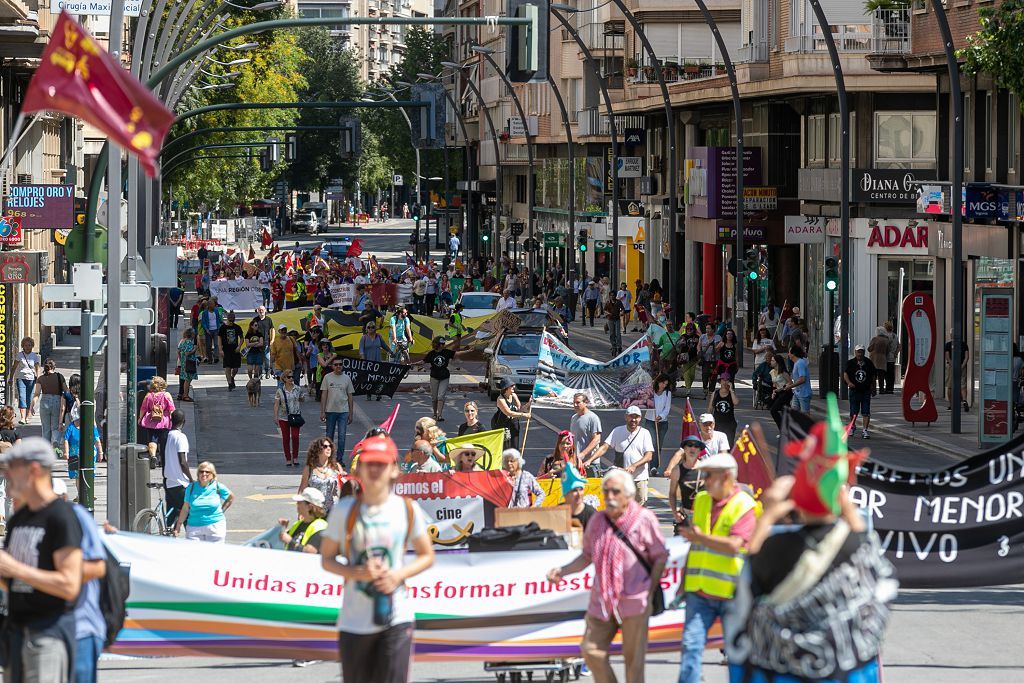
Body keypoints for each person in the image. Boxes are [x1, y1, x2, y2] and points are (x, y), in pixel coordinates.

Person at [732, 468, 896, 680]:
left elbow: (747, 581)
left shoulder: (777, 548)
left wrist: (768, 513)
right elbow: (874, 558)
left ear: (795, 503)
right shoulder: (856, 548)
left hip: (784, 671)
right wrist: (845, 505)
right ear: (839, 499)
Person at [320, 435, 435, 683]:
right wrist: (355, 573)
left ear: (393, 470)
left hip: (396, 618)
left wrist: (397, 575)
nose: (374, 469)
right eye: (369, 463)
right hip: (354, 622)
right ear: (359, 469)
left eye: (381, 464)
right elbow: (326, 559)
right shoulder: (344, 510)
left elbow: (426, 555)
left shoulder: (406, 509)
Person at [546, 469, 668, 683]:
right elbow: (586, 557)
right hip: (602, 599)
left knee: (633, 663)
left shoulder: (644, 519)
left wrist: (649, 590)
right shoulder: (598, 520)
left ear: (628, 495)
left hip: (635, 601)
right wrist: (562, 571)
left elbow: (660, 557)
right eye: (606, 492)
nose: (609, 497)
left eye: (615, 492)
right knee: (591, 650)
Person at [0, 438, 83, 681]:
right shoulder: (18, 519)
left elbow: (69, 584)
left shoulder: (61, 517)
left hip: (48, 633)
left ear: (33, 470)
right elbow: (10, 579)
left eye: (11, 469)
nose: (6, 477)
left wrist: (17, 569)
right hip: (15, 633)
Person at [674, 451, 758, 683]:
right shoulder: (701, 499)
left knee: (736, 653)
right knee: (691, 645)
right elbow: (695, 542)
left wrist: (701, 539)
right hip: (699, 591)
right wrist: (683, 581)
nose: (704, 481)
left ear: (727, 477)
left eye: (709, 475)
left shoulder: (744, 506)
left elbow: (735, 545)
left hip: (732, 593)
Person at [50, 477, 106, 683]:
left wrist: (38, 572)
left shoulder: (78, 518)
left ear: (64, 498)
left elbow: (98, 567)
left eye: (56, 499)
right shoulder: (31, 518)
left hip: (80, 627)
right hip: (43, 629)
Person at [588, 406, 654, 506]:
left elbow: (648, 456)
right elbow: (605, 447)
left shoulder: (645, 433)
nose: (634, 420)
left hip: (639, 478)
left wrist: (634, 466)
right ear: (626, 417)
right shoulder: (617, 431)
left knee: (639, 508)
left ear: (640, 418)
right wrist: (590, 460)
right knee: (620, 507)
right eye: (631, 417)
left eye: (636, 417)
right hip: (621, 478)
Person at [174, 461, 234, 542]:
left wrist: (222, 511)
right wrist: (178, 525)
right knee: (195, 553)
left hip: (215, 527)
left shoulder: (217, 486)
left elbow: (230, 497)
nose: (204, 474)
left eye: (207, 472)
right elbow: (185, 508)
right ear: (198, 474)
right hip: (194, 528)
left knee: (215, 554)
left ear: (212, 475)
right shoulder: (191, 487)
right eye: (201, 471)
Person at [666, 434, 706, 529]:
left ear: (700, 450)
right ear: (684, 448)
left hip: (704, 515)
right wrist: (675, 513)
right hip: (685, 516)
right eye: (689, 445)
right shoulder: (677, 470)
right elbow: (672, 493)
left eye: (696, 446)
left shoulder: (706, 468)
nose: (693, 448)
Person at [419, 336, 463, 422]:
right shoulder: (431, 354)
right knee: (434, 398)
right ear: (437, 345)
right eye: (441, 344)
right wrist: (413, 364)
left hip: (444, 377)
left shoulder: (446, 352)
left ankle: (439, 415)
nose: (443, 345)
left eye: (444, 343)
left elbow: (457, 353)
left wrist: (469, 351)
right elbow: (423, 361)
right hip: (434, 377)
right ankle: (435, 413)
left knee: (441, 396)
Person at [320, 358, 355, 464]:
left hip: (343, 412)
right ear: (332, 366)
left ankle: (339, 459)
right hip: (330, 411)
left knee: (342, 437)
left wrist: (351, 413)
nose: (338, 366)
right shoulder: (327, 377)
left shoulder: (347, 378)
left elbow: (350, 397)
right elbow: (324, 395)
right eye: (336, 365)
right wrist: (322, 411)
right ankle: (328, 459)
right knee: (329, 436)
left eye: (340, 364)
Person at [298, 437, 344, 514]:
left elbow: (342, 488)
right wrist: (300, 510)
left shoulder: (336, 466)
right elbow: (302, 490)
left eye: (330, 446)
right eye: (325, 446)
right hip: (314, 510)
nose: (328, 448)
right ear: (317, 450)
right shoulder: (309, 468)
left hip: (333, 510)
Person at [163, 409, 192, 530]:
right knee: (188, 514)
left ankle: (169, 538)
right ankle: (192, 541)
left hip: (169, 482)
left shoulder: (166, 436)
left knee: (172, 513)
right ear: (183, 422)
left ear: (171, 420)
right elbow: (183, 462)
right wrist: (191, 479)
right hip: (180, 482)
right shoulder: (181, 437)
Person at [139, 376, 175, 468]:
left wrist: (140, 418)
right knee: (163, 441)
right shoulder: (167, 395)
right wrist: (173, 420)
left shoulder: (148, 395)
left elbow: (143, 409)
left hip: (151, 422)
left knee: (152, 440)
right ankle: (162, 460)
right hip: (164, 421)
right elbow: (171, 409)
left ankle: (153, 456)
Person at [279, 487, 329, 554]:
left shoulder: (321, 527)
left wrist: (290, 541)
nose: (297, 504)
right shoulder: (298, 524)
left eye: (300, 502)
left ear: (309, 507)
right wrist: (282, 528)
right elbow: (283, 541)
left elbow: (312, 551)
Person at [32, 359, 67, 454]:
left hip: (45, 401)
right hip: (57, 400)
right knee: (56, 426)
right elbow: (66, 390)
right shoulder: (60, 377)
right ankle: (55, 442)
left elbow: (37, 394)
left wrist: (32, 406)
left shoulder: (41, 379)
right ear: (53, 367)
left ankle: (45, 448)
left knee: (45, 427)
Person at [844, 344, 877, 439]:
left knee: (866, 411)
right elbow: (845, 374)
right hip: (854, 390)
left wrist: (873, 388)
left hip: (865, 390)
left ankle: (865, 430)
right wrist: (849, 383)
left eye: (861, 352)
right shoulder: (851, 363)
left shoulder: (868, 363)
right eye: (858, 352)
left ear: (864, 353)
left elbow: (873, 376)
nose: (860, 354)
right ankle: (852, 427)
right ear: (855, 352)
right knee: (854, 411)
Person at [63, 405, 103, 480]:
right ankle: (80, 491)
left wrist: (100, 453)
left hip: (89, 454)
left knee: (88, 475)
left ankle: (87, 490)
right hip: (75, 455)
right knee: (77, 476)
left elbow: (97, 440)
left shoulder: (91, 426)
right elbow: (66, 439)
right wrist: (66, 452)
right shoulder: (71, 426)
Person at [644, 374, 671, 476]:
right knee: (653, 444)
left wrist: (661, 416)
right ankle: (653, 467)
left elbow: (667, 408)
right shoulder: (651, 392)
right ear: (658, 382)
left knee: (659, 445)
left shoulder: (667, 393)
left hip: (662, 423)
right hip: (650, 421)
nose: (663, 386)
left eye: (666, 384)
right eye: (662, 383)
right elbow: (645, 402)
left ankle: (655, 465)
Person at [275, 372, 304, 466]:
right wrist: (275, 416)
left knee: (295, 437)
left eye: (292, 376)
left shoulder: (298, 389)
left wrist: (302, 398)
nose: (291, 378)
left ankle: (295, 457)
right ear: (284, 379)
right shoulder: (280, 391)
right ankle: (288, 458)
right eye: (289, 377)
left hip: (295, 416)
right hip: (284, 417)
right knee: (286, 438)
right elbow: (276, 404)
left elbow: (302, 398)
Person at [494, 378, 531, 450]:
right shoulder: (500, 399)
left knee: (515, 447)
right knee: (504, 449)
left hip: (514, 424)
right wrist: (524, 415)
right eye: (511, 385)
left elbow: (520, 409)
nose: (514, 386)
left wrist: (529, 403)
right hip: (503, 426)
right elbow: (509, 412)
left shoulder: (514, 395)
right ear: (506, 388)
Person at [358, 322, 392, 401]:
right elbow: (361, 349)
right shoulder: (364, 338)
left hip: (377, 361)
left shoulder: (378, 337)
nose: (370, 329)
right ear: (366, 329)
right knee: (369, 379)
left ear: (375, 328)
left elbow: (384, 345)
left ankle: (378, 394)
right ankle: (369, 394)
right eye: (369, 327)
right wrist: (363, 359)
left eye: (372, 327)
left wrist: (390, 352)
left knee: (378, 378)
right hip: (368, 362)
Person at [12, 337, 41, 424]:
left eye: (29, 345)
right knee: (21, 397)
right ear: (22, 346)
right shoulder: (19, 355)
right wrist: (10, 378)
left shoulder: (34, 356)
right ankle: (22, 418)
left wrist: (38, 378)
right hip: (21, 378)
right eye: (25, 345)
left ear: (32, 346)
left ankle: (28, 416)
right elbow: (14, 367)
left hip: (31, 379)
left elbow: (37, 368)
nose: (27, 347)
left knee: (29, 398)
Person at [572, 393, 604, 469]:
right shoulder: (574, 418)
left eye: (578, 402)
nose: (575, 405)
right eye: (574, 403)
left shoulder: (593, 418)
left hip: (590, 463)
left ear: (586, 403)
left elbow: (596, 439)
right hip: (576, 461)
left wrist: (583, 454)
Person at [707, 374, 739, 445]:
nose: (725, 382)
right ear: (720, 382)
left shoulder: (731, 394)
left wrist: (731, 390)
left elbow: (736, 402)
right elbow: (710, 408)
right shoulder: (715, 393)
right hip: (717, 424)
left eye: (727, 380)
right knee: (717, 445)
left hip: (729, 424)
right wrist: (708, 421)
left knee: (729, 445)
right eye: (723, 380)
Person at [561, 465, 596, 529]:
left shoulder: (592, 514)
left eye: (581, 489)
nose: (579, 494)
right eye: (574, 490)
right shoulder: (558, 512)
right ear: (566, 494)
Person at [944, 331, 970, 412]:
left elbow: (947, 358)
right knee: (963, 385)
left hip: (951, 367)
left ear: (951, 335)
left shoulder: (948, 345)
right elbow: (967, 357)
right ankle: (965, 400)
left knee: (950, 386)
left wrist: (954, 366)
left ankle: (951, 405)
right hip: (962, 366)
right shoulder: (964, 344)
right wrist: (962, 366)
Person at [767, 352, 794, 428]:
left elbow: (790, 383)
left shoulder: (783, 373)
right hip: (778, 393)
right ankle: (787, 430)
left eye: (773, 360)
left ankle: (783, 429)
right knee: (785, 412)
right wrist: (773, 392)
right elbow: (774, 383)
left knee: (773, 410)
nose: (771, 362)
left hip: (786, 393)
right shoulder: (772, 372)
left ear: (777, 362)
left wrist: (782, 388)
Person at [219, 311, 244, 390]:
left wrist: (239, 346)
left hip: (235, 350)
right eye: (230, 321)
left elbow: (242, 338)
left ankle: (232, 377)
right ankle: (229, 383)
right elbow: (219, 338)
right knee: (227, 367)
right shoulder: (223, 327)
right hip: (226, 350)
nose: (231, 322)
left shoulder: (237, 327)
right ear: (227, 319)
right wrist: (220, 349)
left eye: (232, 321)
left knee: (236, 368)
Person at [786, 345, 813, 412]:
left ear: (793, 354)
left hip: (804, 393)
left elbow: (802, 379)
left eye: (789, 352)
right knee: (794, 414)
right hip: (797, 392)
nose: (788, 354)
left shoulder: (800, 363)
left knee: (805, 416)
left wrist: (790, 386)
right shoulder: (796, 363)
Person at [699, 323, 721, 396]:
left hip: (714, 360)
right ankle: (705, 387)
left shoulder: (718, 337)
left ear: (713, 329)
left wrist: (715, 346)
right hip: (705, 360)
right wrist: (699, 351)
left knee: (714, 375)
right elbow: (699, 346)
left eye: (709, 328)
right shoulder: (702, 337)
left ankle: (711, 390)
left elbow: (718, 348)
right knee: (705, 374)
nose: (707, 330)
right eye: (706, 328)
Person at [177, 328, 199, 401]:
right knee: (188, 379)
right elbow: (187, 353)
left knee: (185, 378)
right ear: (191, 334)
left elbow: (178, 351)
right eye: (193, 333)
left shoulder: (183, 341)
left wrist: (181, 359)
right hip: (189, 363)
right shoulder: (188, 342)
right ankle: (185, 395)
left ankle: (183, 394)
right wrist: (194, 349)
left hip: (184, 362)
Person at [199, 298, 224, 363]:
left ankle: (216, 357)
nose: (214, 306)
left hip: (216, 329)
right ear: (209, 305)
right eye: (213, 304)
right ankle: (210, 358)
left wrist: (223, 323)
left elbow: (219, 318)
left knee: (216, 344)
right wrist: (206, 329)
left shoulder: (216, 311)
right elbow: (203, 322)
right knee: (208, 345)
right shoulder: (205, 313)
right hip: (208, 331)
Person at [254, 306, 276, 378]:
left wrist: (272, 340)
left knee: (267, 358)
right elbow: (252, 330)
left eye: (262, 310)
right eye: (260, 310)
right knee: (259, 359)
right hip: (258, 343)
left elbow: (272, 329)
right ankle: (261, 372)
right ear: (258, 311)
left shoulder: (268, 319)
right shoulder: (255, 320)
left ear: (265, 310)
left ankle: (268, 370)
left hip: (266, 342)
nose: (261, 311)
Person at [868, 327, 890, 395]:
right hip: (883, 358)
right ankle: (881, 390)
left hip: (874, 358)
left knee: (873, 375)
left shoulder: (875, 339)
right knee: (881, 376)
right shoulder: (886, 340)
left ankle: (873, 390)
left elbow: (869, 349)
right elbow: (888, 350)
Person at [883, 320, 899, 394]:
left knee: (887, 374)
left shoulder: (886, 336)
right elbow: (899, 346)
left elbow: (886, 346)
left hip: (887, 357)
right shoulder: (895, 335)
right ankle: (891, 388)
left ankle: (887, 388)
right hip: (893, 357)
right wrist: (896, 353)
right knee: (891, 374)